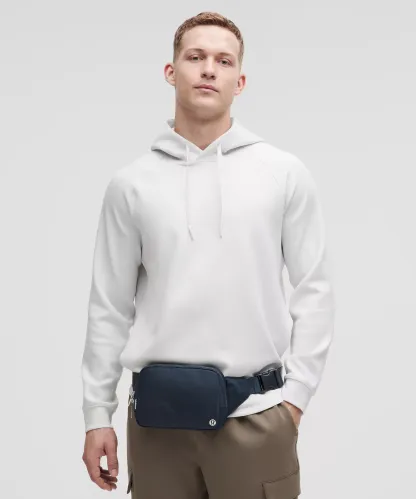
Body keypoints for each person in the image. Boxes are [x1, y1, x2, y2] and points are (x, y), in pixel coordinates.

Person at [81, 11, 335, 499]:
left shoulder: (282, 173)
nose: (208, 69)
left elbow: (315, 291)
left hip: (255, 417)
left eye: (223, 60)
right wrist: (97, 414)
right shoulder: (132, 185)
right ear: (171, 71)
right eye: (195, 57)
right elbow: (108, 306)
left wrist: (295, 401)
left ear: (240, 81)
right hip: (156, 427)